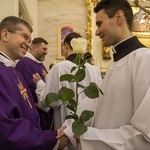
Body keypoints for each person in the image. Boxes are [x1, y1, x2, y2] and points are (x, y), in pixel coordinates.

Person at [64, 0, 150, 149]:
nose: (96, 32)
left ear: (118, 17)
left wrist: (87, 136)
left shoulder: (145, 60)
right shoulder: (116, 64)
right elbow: (95, 107)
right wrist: (67, 130)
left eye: (99, 24)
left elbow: (144, 136)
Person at [0, 16, 67, 150]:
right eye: (25, 37)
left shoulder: (12, 70)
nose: (29, 44)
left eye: (30, 40)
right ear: (5, 34)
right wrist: (48, 139)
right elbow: (5, 126)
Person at [33, 32, 102, 130]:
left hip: (67, 128)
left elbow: (50, 102)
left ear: (65, 45)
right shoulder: (95, 70)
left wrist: (39, 84)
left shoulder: (59, 68)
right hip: (89, 127)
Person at [16, 37, 53, 130]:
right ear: (34, 47)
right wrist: (47, 103)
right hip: (37, 109)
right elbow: (27, 87)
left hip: (45, 110)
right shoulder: (24, 63)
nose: (46, 52)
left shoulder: (40, 64)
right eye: (44, 49)